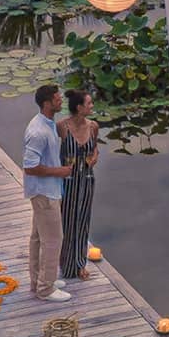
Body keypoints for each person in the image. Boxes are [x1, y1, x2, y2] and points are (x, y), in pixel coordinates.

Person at [21, 83, 75, 303]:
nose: (61, 100)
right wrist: (60, 171)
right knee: (53, 239)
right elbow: (30, 166)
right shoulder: (38, 132)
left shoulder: (48, 123)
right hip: (44, 193)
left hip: (48, 190)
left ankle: (39, 280)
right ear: (47, 103)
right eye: (57, 98)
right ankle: (46, 289)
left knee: (38, 238)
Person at [57, 88, 100, 281]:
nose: (92, 106)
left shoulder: (93, 127)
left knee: (83, 221)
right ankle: (66, 265)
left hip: (87, 179)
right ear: (79, 107)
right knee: (66, 221)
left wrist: (94, 158)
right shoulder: (62, 127)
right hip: (67, 180)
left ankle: (80, 264)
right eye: (89, 103)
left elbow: (95, 149)